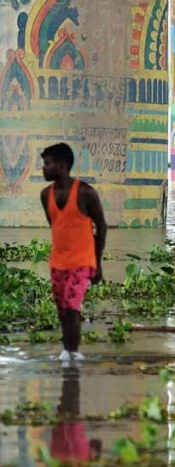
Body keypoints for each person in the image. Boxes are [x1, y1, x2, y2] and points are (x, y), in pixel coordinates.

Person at [39, 143, 106, 363]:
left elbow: (101, 227)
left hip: (82, 262)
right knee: (62, 312)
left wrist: (97, 263)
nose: (44, 168)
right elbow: (56, 226)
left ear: (62, 165)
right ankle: (66, 351)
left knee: (71, 308)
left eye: (47, 164)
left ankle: (73, 354)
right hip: (58, 262)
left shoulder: (86, 193)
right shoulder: (45, 195)